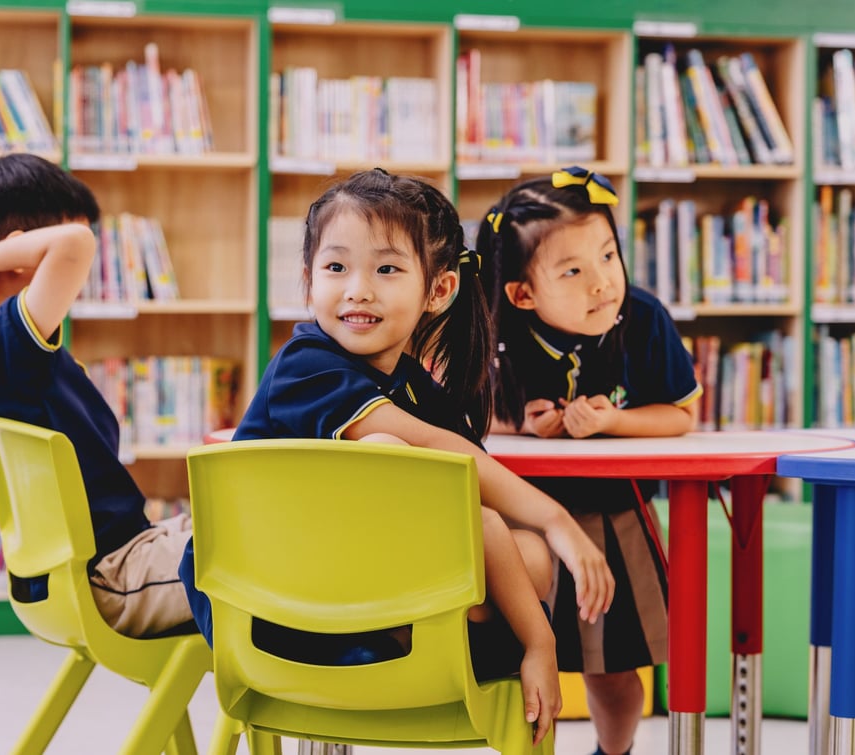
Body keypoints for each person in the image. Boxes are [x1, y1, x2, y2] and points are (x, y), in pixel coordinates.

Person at [179, 168, 615, 744]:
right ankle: (517, 639)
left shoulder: (411, 385)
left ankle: (488, 634)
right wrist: (554, 541)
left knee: (523, 552)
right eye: (336, 268)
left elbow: (464, 486)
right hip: (277, 616)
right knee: (420, 476)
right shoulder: (304, 364)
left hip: (357, 604)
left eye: (386, 269)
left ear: (438, 290)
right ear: (308, 281)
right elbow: (442, 456)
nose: (358, 288)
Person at [476, 166, 702, 755]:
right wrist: (520, 422)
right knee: (512, 658)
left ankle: (614, 751)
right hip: (519, 526)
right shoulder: (493, 328)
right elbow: (461, 418)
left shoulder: (644, 318)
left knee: (613, 667)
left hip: (616, 518)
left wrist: (613, 423)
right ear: (522, 293)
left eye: (608, 256)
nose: (602, 282)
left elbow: (681, 417)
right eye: (573, 271)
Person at [0, 153, 195, 639]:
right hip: (115, 573)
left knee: (257, 526)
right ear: (20, 254)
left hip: (124, 556)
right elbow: (76, 243)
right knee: (269, 557)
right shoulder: (6, 352)